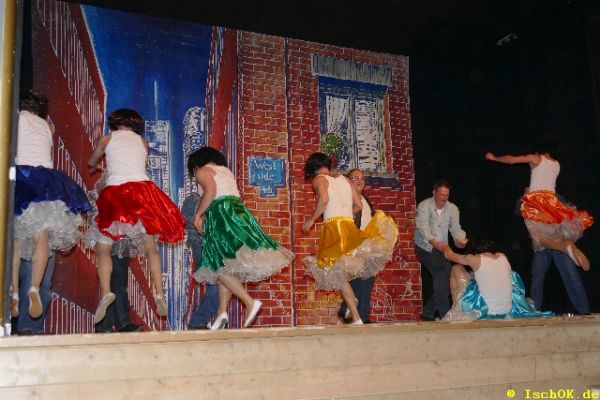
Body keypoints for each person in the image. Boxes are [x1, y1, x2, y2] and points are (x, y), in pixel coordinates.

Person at [87, 109, 185, 324]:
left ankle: (106, 292)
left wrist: (94, 164)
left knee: (103, 248)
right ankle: (159, 293)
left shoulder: (107, 139)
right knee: (151, 248)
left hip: (115, 193)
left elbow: (92, 160)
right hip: (143, 193)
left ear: (114, 122)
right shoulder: (143, 142)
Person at [187, 147, 293, 330]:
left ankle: (249, 301)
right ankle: (222, 311)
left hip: (221, 213)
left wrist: (198, 215)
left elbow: (210, 192)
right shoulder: (225, 171)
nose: (195, 174)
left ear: (197, 163)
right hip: (238, 212)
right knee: (227, 264)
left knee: (215, 263)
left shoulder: (203, 171)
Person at [12, 90, 91, 319]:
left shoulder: (16, 118)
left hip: (21, 179)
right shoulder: (47, 127)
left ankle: (13, 292)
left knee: (17, 239)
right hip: (48, 182)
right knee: (42, 237)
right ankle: (34, 287)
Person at [303, 153, 398, 324]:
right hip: (349, 226)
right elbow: (359, 205)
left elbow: (324, 199)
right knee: (339, 272)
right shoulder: (345, 180)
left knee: (332, 269)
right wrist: (345, 216)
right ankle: (356, 315)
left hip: (334, 227)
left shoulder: (318, 179)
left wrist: (311, 219)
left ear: (313, 168)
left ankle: (353, 309)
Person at [485, 141, 593, 270]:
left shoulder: (536, 158)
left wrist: (494, 158)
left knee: (538, 238)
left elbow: (511, 160)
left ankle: (565, 247)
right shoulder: (557, 165)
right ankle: (567, 244)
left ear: (541, 151)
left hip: (535, 202)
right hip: (552, 202)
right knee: (552, 234)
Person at [514, 192, 590, 315]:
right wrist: (525, 197)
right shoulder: (531, 193)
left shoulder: (554, 195)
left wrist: (553, 204)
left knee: (571, 275)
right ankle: (535, 310)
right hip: (542, 244)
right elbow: (518, 210)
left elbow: (567, 211)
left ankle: (584, 310)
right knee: (537, 277)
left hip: (556, 238)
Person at [442, 238, 554, 320]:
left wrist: (443, 244)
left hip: (485, 312)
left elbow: (449, 255)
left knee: (456, 268)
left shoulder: (473, 259)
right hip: (506, 310)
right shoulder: (502, 256)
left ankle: (457, 310)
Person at [414, 180, 468, 321]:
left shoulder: (453, 208)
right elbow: (423, 228)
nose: (444, 198)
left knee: (445, 279)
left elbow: (455, 228)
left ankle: (428, 313)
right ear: (434, 193)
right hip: (425, 246)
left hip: (442, 247)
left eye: (446, 195)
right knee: (440, 272)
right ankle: (445, 314)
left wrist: (460, 240)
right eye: (441, 195)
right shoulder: (424, 205)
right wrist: (435, 243)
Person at [338, 168, 376, 323]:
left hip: (368, 246)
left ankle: (361, 317)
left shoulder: (365, 200)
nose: (360, 181)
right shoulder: (345, 199)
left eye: (362, 178)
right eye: (355, 178)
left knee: (368, 281)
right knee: (359, 279)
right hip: (354, 245)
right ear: (348, 182)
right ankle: (348, 311)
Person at [181, 192, 219, 330]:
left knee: (220, 288)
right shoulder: (194, 199)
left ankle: (201, 321)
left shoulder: (218, 198)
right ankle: (197, 321)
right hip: (203, 246)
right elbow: (187, 222)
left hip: (213, 248)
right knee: (215, 288)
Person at [13, 254, 56, 335]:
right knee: (29, 281)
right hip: (29, 247)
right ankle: (25, 327)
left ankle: (36, 328)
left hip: (51, 247)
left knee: (45, 286)